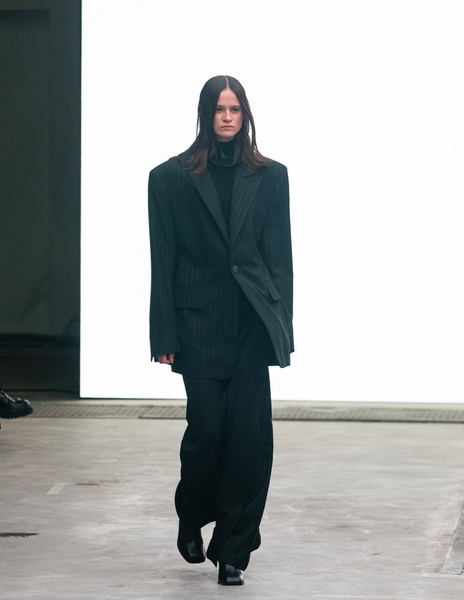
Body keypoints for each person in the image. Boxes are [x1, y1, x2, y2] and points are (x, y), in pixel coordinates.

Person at [148, 75, 293, 586]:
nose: (227, 117)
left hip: (252, 323)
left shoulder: (271, 177)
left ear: (245, 114)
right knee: (208, 433)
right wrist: (163, 335)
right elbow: (162, 261)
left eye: (235, 109)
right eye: (219, 109)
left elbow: (279, 258)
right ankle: (191, 512)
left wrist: (281, 328)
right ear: (205, 114)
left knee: (250, 441)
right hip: (198, 324)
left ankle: (233, 549)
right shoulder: (169, 178)